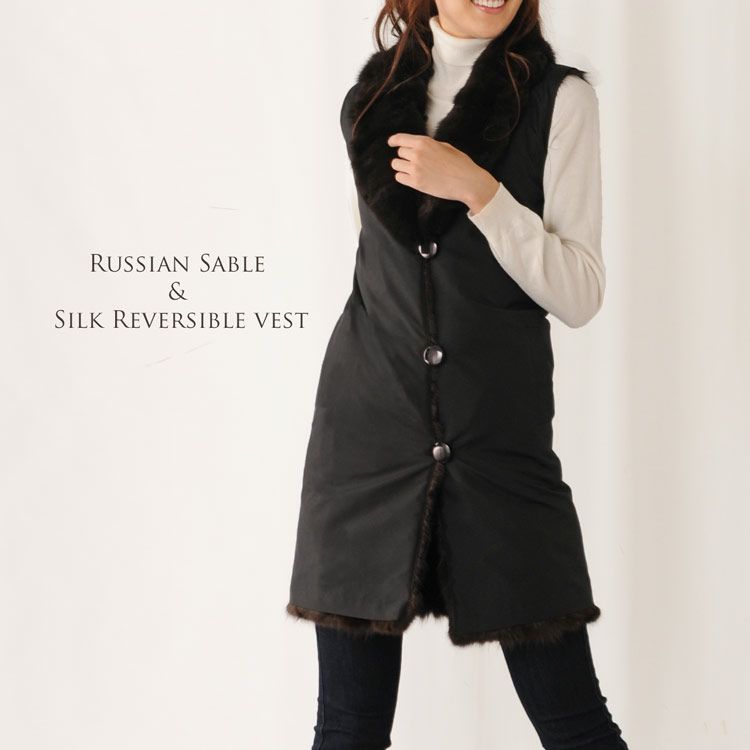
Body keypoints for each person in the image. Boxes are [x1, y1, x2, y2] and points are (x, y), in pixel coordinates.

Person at [287, 1, 629, 747]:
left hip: (497, 445)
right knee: (347, 730)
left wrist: (481, 192)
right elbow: (382, 272)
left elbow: (579, 292)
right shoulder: (370, 100)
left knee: (576, 725)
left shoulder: (559, 99)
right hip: (365, 445)